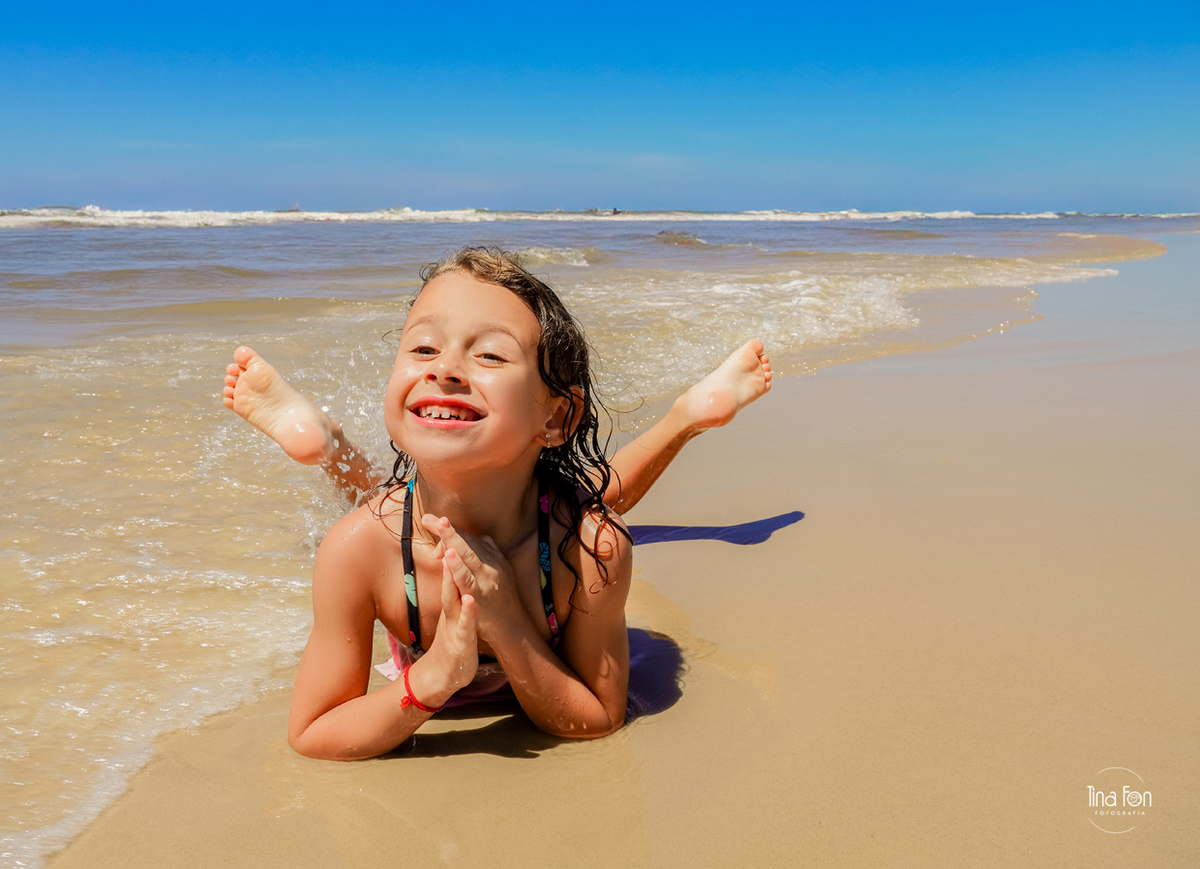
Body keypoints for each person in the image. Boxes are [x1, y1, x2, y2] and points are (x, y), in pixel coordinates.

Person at [221, 247, 771, 759]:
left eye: (488, 354)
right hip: (418, 532)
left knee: (586, 501)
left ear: (555, 416)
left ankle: (687, 416)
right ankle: (329, 447)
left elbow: (598, 717)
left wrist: (505, 617)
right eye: (422, 348)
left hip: (545, 526)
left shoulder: (592, 550)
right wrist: (433, 677)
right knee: (384, 508)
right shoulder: (356, 550)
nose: (443, 368)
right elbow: (312, 732)